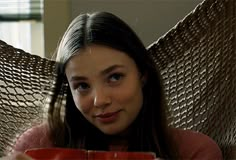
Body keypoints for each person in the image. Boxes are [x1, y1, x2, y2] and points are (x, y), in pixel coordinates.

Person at [3, 11, 222, 160]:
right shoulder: (37, 146)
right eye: (81, 86)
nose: (100, 100)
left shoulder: (193, 151)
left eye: (115, 77)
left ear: (142, 75)